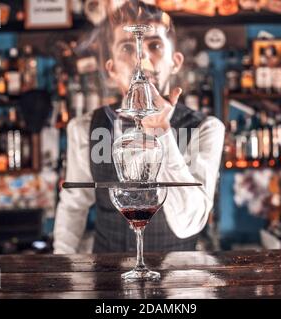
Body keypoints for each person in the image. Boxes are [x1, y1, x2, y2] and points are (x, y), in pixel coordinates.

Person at [53, 2, 224, 254]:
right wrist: (61, 270)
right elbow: (73, 206)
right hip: (106, 280)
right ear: (111, 70)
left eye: (154, 45)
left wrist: (163, 134)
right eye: (127, 47)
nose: (141, 59)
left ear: (175, 62)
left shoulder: (207, 128)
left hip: (177, 283)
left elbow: (189, 224)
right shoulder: (84, 128)